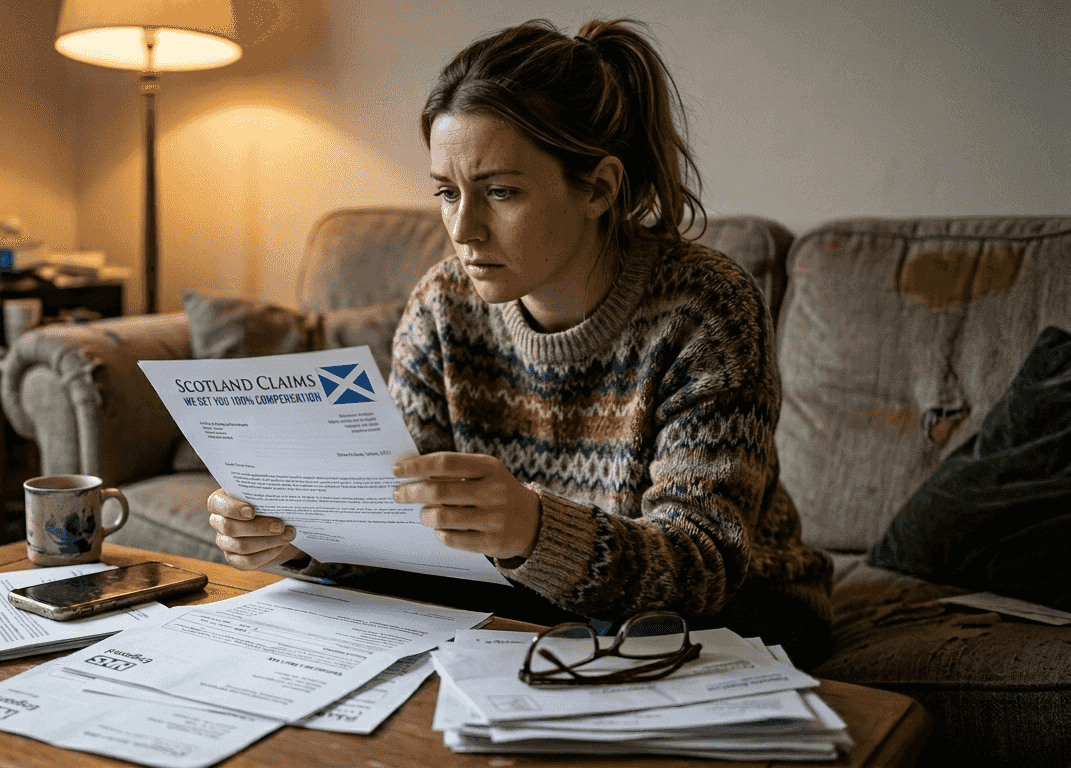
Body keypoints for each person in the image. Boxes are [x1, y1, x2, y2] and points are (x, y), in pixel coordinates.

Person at [206, 18, 834, 668]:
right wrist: (298, 539)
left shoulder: (704, 308)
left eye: (501, 192)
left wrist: (534, 528)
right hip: (519, 602)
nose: (463, 229)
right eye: (447, 192)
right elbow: (402, 531)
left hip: (734, 619)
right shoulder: (442, 306)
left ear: (598, 189)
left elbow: (703, 566)